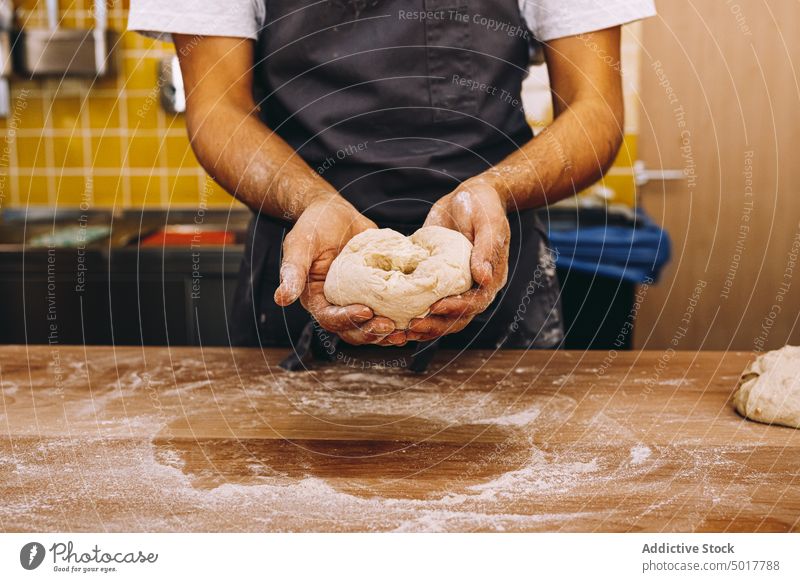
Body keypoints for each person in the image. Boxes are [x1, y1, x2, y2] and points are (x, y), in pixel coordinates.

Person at [130, 0, 655, 352]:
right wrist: (312, 200)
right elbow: (217, 110)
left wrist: (490, 191)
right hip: (303, 256)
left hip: (493, 269)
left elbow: (595, 113)